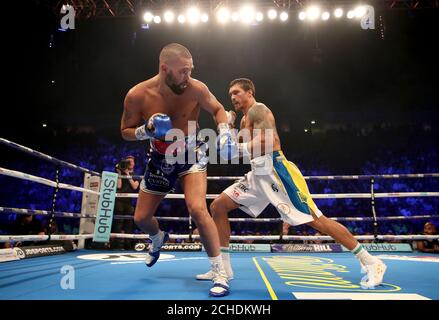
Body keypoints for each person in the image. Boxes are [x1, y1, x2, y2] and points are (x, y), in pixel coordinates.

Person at [196, 78, 387, 289]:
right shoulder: (242, 121)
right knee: (218, 206)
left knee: (316, 220)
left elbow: (270, 142)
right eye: (230, 94)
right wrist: (229, 128)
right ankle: (223, 269)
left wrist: (236, 147)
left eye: (236, 92)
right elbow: (238, 150)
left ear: (249, 92)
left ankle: (371, 261)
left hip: (276, 172)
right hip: (257, 174)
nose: (232, 97)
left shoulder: (259, 110)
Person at [120, 43, 235, 297]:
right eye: (183, 71)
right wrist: (145, 131)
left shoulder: (196, 88)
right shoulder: (137, 95)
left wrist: (224, 132)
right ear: (165, 69)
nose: (188, 76)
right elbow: (125, 131)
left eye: (190, 70)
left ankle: (219, 272)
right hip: (160, 159)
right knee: (140, 219)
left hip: (192, 154)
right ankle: (158, 237)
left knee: (197, 208)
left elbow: (217, 109)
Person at [112, 155, 139, 250]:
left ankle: (128, 245)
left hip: (129, 202)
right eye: (128, 162)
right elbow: (118, 186)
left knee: (129, 223)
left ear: (134, 164)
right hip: (119, 200)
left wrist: (128, 175)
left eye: (131, 162)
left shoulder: (136, 174)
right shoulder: (120, 173)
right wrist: (119, 173)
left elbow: (135, 186)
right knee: (118, 222)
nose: (130, 163)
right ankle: (117, 245)